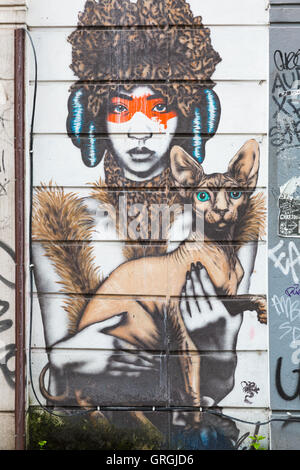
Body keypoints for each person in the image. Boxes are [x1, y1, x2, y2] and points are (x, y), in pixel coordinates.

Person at [32, 0, 260, 448]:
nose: (140, 129)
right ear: (91, 113)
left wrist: (220, 351)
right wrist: (68, 356)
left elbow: (218, 390)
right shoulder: (64, 225)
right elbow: (58, 392)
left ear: (189, 113)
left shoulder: (229, 226)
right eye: (120, 107)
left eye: (159, 107)